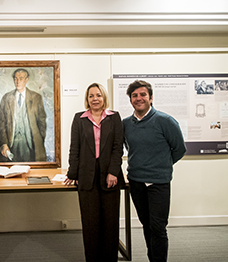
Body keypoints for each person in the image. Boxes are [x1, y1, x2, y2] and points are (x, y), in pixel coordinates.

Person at [123, 80, 186, 262]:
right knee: (146, 225)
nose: (139, 98)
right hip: (136, 182)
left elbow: (179, 149)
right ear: (130, 100)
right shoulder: (126, 124)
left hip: (159, 183)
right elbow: (128, 147)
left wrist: (162, 165)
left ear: (151, 98)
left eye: (142, 94)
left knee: (158, 227)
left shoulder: (165, 121)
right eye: (134, 95)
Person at [64, 83, 124, 262]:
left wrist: (113, 171)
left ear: (104, 97)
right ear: (87, 99)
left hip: (109, 176)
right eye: (91, 96)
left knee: (110, 222)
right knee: (90, 224)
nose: (95, 99)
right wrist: (72, 174)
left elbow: (117, 147)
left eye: (98, 95)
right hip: (86, 176)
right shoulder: (79, 119)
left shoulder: (114, 118)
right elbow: (74, 148)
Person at [0, 68, 47, 162]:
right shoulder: (6, 98)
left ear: (26, 80)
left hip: (30, 145)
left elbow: (42, 123)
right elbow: (0, 123)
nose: (17, 81)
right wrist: (4, 144)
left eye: (21, 78)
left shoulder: (36, 98)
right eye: (15, 79)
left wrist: (38, 141)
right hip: (11, 145)